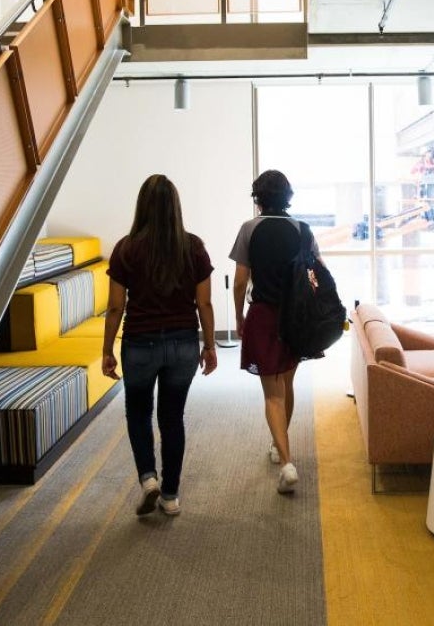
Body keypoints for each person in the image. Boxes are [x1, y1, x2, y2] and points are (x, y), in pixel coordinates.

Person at [102, 174, 217, 518]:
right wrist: (209, 345)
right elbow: (205, 305)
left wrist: (107, 350)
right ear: (176, 208)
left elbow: (115, 307)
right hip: (182, 343)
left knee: (138, 413)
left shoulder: (126, 248)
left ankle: (148, 478)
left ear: (142, 206)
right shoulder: (193, 246)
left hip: (139, 343)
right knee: (172, 417)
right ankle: (170, 495)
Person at [229, 170, 321, 495]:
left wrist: (239, 316)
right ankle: (278, 445)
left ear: (258, 198)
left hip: (264, 315)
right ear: (287, 196)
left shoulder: (249, 229)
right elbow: (315, 277)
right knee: (288, 381)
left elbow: (240, 281)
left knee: (272, 393)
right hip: (295, 317)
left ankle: (286, 462)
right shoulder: (303, 229)